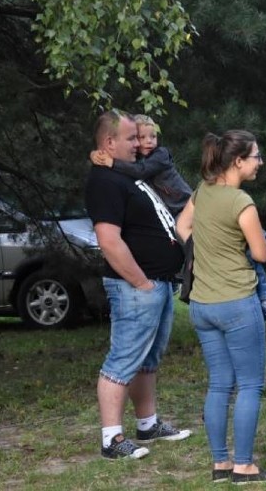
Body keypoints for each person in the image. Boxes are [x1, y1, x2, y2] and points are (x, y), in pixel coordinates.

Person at [176, 129, 266, 484]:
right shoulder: (242, 203)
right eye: (256, 157)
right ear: (238, 161)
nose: (260, 163)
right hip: (237, 303)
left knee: (220, 384)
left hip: (202, 306)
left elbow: (182, 226)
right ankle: (245, 466)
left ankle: (221, 464)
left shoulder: (202, 191)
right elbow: (261, 254)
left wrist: (206, 248)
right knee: (250, 385)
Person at [84, 110, 192, 460]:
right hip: (136, 286)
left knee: (147, 360)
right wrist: (140, 281)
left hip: (158, 284)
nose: (138, 144)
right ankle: (112, 439)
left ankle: (147, 424)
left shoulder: (129, 175)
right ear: (109, 142)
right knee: (124, 359)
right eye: (131, 139)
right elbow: (109, 239)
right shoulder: (104, 180)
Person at [90, 114, 192, 217]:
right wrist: (98, 154)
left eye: (153, 136)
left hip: (185, 206)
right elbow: (125, 164)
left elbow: (140, 171)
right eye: (142, 137)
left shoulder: (161, 155)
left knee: (180, 230)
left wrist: (112, 162)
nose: (149, 141)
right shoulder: (136, 159)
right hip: (172, 212)